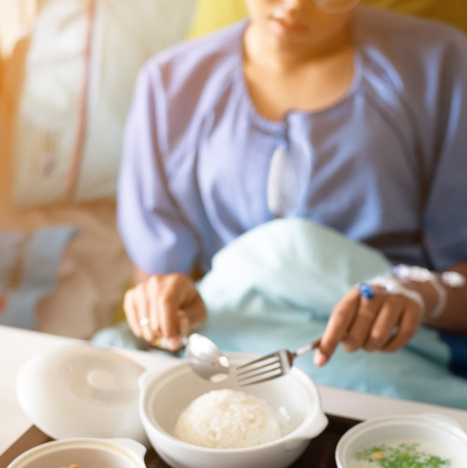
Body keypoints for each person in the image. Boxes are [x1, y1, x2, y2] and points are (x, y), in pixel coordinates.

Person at [118, 0, 467, 369]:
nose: (295, 5)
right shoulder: (169, 86)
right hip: (228, 352)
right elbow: (161, 281)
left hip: (395, 360)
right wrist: (164, 306)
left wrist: (417, 296)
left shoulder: (440, 67)